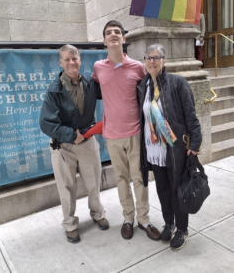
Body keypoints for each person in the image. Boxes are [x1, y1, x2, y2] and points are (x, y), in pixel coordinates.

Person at [92, 20, 160, 241]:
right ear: (104, 41)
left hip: (135, 133)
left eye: (117, 32)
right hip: (112, 135)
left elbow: (150, 96)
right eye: (109, 32)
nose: (113, 34)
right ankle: (128, 218)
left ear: (123, 39)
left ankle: (144, 219)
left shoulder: (137, 68)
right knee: (121, 178)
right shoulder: (98, 68)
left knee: (139, 178)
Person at [39, 45, 109, 243]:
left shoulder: (90, 84)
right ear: (61, 63)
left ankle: (97, 213)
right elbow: (46, 123)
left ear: (80, 60)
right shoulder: (54, 90)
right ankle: (70, 224)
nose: (71, 62)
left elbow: (112, 92)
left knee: (94, 181)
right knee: (67, 186)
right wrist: (71, 135)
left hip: (87, 140)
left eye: (74, 58)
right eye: (67, 59)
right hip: (64, 146)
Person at [137, 43, 202, 250]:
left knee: (178, 189)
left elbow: (191, 114)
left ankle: (182, 229)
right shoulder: (143, 86)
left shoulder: (177, 83)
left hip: (174, 148)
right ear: (144, 61)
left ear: (164, 61)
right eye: (148, 57)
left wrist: (196, 142)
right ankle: (169, 223)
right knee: (163, 188)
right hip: (154, 149)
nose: (152, 61)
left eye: (156, 57)